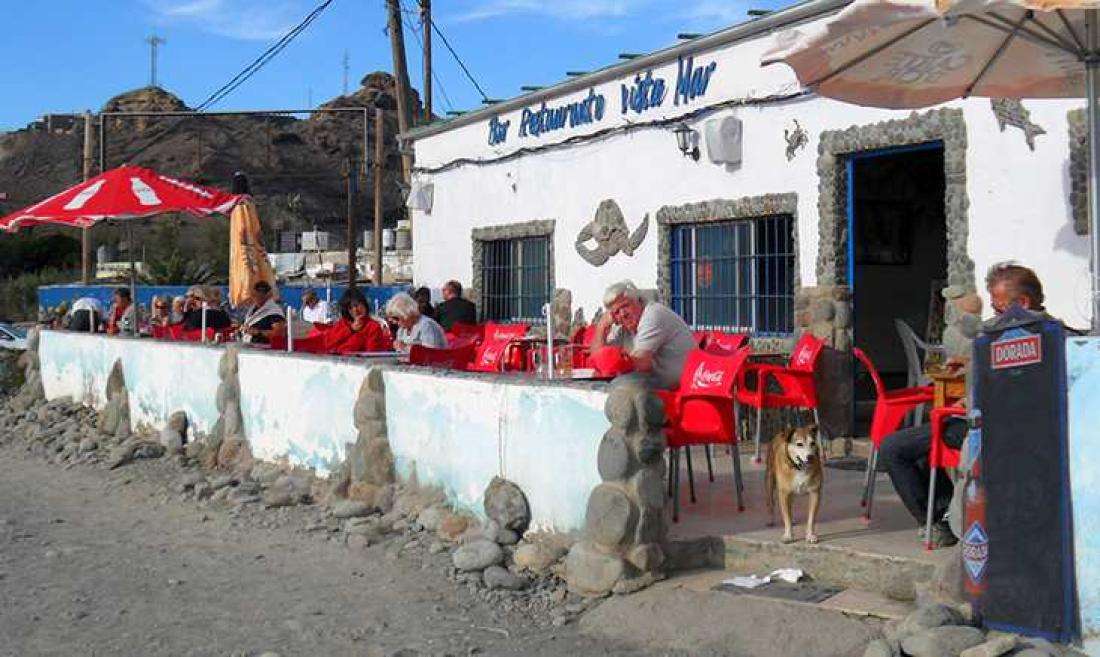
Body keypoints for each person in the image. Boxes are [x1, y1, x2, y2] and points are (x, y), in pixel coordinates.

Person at [878, 261, 1052, 547]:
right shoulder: (1010, 335)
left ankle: (943, 518)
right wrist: (972, 365)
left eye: (998, 308)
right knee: (904, 448)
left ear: (1022, 302)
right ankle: (941, 515)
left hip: (993, 431)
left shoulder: (1040, 338)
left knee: (899, 448)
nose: (994, 316)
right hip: (973, 419)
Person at [590, 280, 695, 390]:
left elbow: (642, 364)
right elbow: (596, 359)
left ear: (638, 301)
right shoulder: (622, 325)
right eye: (616, 312)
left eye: (625, 306)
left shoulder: (653, 315)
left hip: (682, 390)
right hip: (658, 388)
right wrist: (601, 328)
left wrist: (610, 363)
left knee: (616, 390)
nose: (623, 314)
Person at [323, 287, 394, 354]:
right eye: (350, 308)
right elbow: (328, 345)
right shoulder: (342, 324)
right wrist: (350, 329)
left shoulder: (373, 326)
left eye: (357, 305)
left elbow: (372, 354)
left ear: (364, 304)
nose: (355, 310)